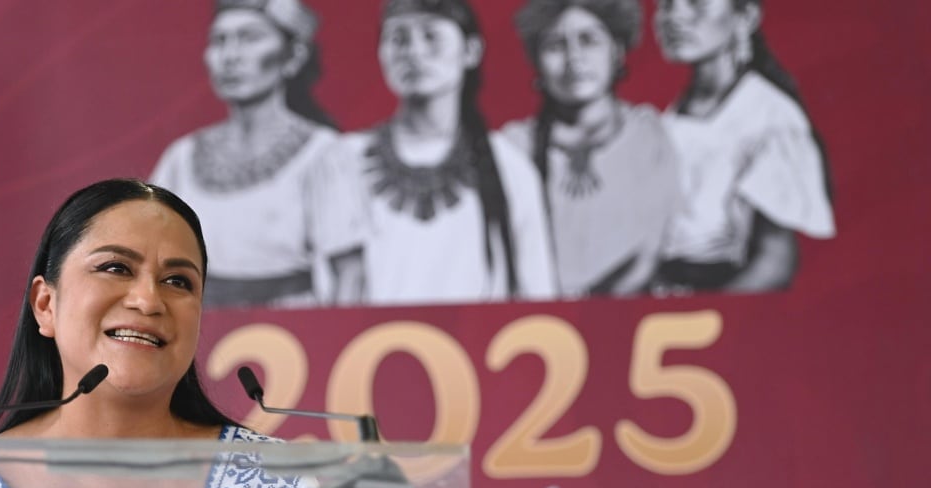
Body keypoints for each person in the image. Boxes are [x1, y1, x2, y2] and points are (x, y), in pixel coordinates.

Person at [0, 178, 302, 488]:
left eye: (177, 281)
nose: (148, 301)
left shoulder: (285, 486)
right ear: (45, 304)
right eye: (116, 267)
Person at [328, 0, 558, 306]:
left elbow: (538, 297)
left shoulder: (510, 167)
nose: (414, 52)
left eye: (431, 37)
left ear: (471, 51)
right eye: (399, 39)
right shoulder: (344, 161)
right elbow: (330, 301)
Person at [150, 0, 362, 308]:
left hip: (294, 331)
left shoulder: (324, 152)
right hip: (201, 326)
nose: (230, 56)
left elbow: (350, 274)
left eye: (249, 38)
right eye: (220, 41)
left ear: (292, 56)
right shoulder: (181, 158)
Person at [653, 0, 835, 293]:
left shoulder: (771, 119)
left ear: (746, 16)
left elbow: (775, 261)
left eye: (696, 3)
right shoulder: (671, 115)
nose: (675, 16)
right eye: (666, 4)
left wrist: (708, 318)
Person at [503, 0, 681, 298]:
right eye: (556, 45)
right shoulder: (513, 146)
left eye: (589, 41)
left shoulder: (649, 134)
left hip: (628, 315)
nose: (574, 58)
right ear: (536, 60)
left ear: (617, 51)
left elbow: (650, 249)